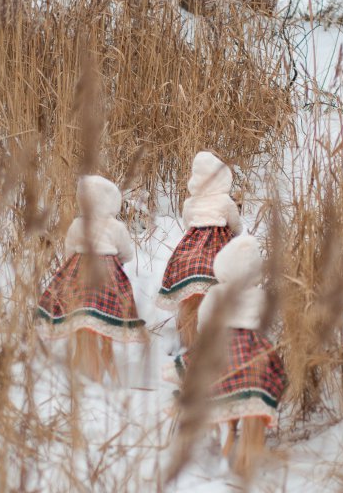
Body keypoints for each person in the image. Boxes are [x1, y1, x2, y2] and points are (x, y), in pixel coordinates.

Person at [165, 234, 286, 476]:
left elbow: (204, 325)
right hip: (252, 352)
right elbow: (268, 326)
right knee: (269, 381)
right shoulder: (261, 296)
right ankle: (248, 440)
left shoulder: (217, 294)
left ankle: (225, 432)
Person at [37, 175, 146, 381]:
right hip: (106, 273)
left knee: (80, 312)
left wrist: (72, 267)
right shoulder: (116, 227)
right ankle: (106, 353)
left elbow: (69, 250)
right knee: (105, 314)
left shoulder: (78, 224)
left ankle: (81, 356)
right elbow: (127, 254)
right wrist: (117, 263)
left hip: (80, 269)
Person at [157, 151, 242, 347]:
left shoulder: (190, 202)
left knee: (188, 286)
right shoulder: (225, 201)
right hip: (218, 249)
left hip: (192, 248)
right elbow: (236, 226)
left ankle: (189, 334)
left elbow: (188, 224)